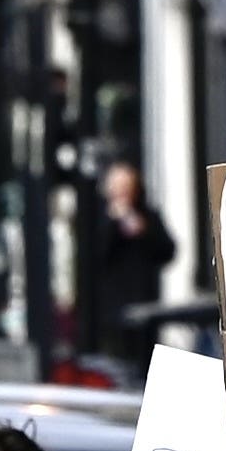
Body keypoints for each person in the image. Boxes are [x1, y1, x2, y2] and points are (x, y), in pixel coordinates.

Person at [75, 154, 177, 374]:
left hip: (144, 305)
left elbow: (167, 251)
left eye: (127, 187)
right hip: (111, 311)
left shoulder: (147, 216)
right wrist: (113, 223)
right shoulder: (97, 218)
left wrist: (143, 231)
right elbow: (95, 258)